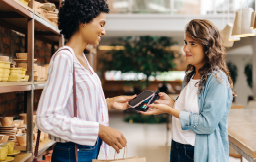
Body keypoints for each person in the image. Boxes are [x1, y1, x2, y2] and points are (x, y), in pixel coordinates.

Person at [36, 0, 135, 161]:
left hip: (87, 150)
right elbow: (46, 119)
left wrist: (108, 103)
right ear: (83, 21)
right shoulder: (65, 58)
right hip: (73, 152)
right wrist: (99, 130)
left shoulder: (82, 58)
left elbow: (76, 102)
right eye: (101, 24)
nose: (103, 31)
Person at [140, 19, 235, 162]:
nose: (185, 49)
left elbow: (207, 124)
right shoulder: (190, 76)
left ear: (207, 46)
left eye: (193, 44)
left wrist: (171, 111)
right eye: (185, 42)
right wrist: (171, 104)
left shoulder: (217, 79)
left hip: (196, 151)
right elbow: (188, 111)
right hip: (178, 146)